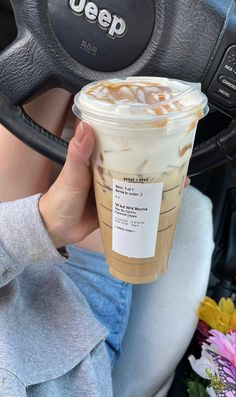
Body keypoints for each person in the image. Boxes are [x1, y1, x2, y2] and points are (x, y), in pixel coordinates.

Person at [0, 89, 214, 397]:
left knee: (42, 80)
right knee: (124, 120)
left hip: (14, 246)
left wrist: (46, 224)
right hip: (71, 336)